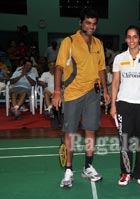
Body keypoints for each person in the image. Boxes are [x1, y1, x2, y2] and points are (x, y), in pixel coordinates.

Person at [52, 7, 110, 189]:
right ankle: (69, 170)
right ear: (80, 23)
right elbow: (59, 67)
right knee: (70, 132)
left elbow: (102, 68)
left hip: (93, 93)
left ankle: (88, 167)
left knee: (90, 130)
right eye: (88, 23)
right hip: (72, 93)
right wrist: (56, 92)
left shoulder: (99, 44)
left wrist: (106, 91)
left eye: (94, 24)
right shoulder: (69, 42)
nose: (91, 26)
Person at [110, 25, 140, 186]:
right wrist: (113, 104)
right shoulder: (119, 58)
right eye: (129, 37)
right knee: (124, 141)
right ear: (125, 39)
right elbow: (116, 82)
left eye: (135, 36)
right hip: (124, 103)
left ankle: (139, 173)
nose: (132, 40)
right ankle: (125, 173)